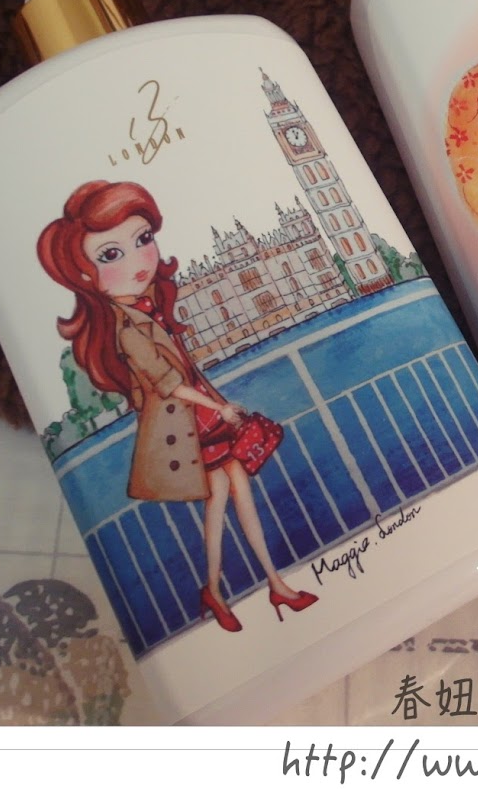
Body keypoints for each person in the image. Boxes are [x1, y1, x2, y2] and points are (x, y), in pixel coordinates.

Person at [37, 180, 317, 633]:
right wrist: (218, 409)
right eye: (111, 254)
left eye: (143, 239)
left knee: (227, 501)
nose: (138, 260)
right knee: (225, 500)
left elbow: (186, 372)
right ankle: (243, 587)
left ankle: (257, 584)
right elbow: (167, 385)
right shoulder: (128, 329)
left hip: (199, 416)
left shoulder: (149, 311)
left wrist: (217, 403)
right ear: (86, 276)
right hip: (186, 427)